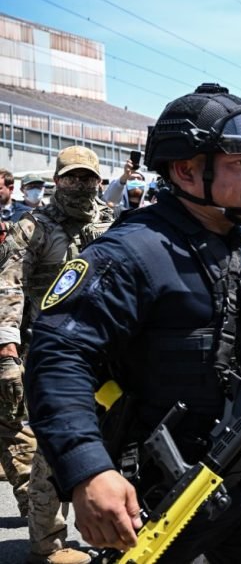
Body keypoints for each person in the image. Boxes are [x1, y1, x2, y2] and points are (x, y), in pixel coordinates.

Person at [23, 83, 241, 563]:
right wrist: (88, 470)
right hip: (165, 497)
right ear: (186, 170)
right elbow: (58, 355)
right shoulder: (131, 252)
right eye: (240, 164)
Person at [0, 145, 116, 564]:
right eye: (71, 177)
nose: (80, 186)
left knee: (114, 440)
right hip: (51, 350)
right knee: (53, 446)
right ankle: (47, 541)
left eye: (88, 178)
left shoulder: (113, 222)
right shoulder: (33, 228)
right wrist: (8, 346)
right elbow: (9, 285)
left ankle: (108, 526)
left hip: (108, 351)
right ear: (56, 181)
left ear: (99, 182)